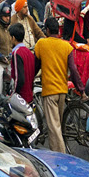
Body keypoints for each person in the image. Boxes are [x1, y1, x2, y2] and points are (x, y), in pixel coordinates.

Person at [34, 18, 81, 153]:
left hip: (49, 92)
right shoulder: (66, 46)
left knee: (54, 129)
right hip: (62, 90)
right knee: (58, 126)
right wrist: (81, 89)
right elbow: (73, 69)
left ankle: (60, 157)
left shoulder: (41, 44)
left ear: (47, 30)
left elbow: (35, 66)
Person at [7, 23, 38, 104]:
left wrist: (14, 95)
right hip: (30, 94)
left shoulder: (17, 53)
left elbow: (19, 78)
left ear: (13, 38)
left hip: (21, 97)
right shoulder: (29, 53)